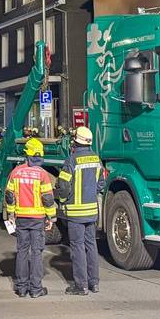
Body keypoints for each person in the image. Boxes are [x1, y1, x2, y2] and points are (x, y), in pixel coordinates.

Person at [4, 137, 56, 298]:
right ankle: (36, 289)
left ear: (27, 154)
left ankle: (21, 288)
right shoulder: (42, 174)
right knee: (36, 253)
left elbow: (9, 196)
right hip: (37, 219)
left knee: (22, 252)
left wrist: (11, 214)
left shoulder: (16, 172)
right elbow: (48, 198)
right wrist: (51, 218)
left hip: (21, 218)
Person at [55, 126, 104, 296]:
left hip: (76, 213)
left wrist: (62, 202)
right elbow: (101, 183)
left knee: (77, 248)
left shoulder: (71, 160)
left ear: (76, 140)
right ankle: (94, 283)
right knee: (91, 246)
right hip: (92, 211)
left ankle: (81, 285)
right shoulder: (97, 159)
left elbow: (63, 187)